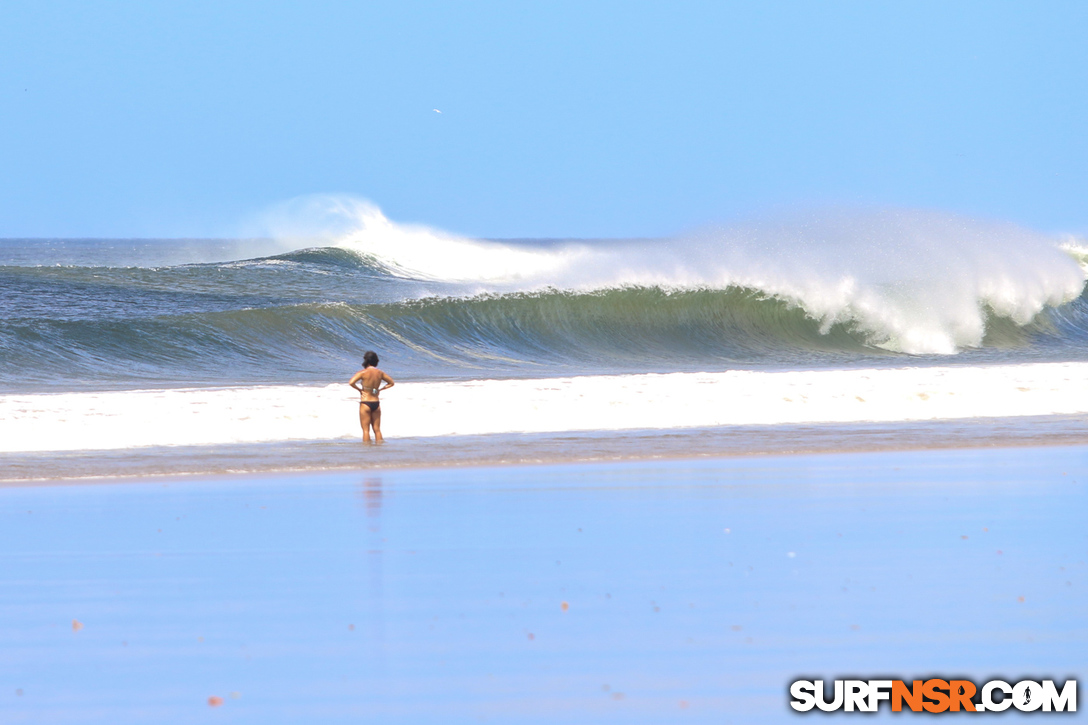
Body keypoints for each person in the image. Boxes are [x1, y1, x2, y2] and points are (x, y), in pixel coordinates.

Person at [348, 351, 395, 443]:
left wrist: (359, 390)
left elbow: (351, 382)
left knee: (366, 430)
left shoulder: (363, 372)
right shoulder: (380, 373)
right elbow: (391, 383)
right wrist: (380, 389)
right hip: (376, 403)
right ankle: (379, 449)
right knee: (377, 429)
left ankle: (367, 452)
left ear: (366, 360)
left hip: (365, 402)